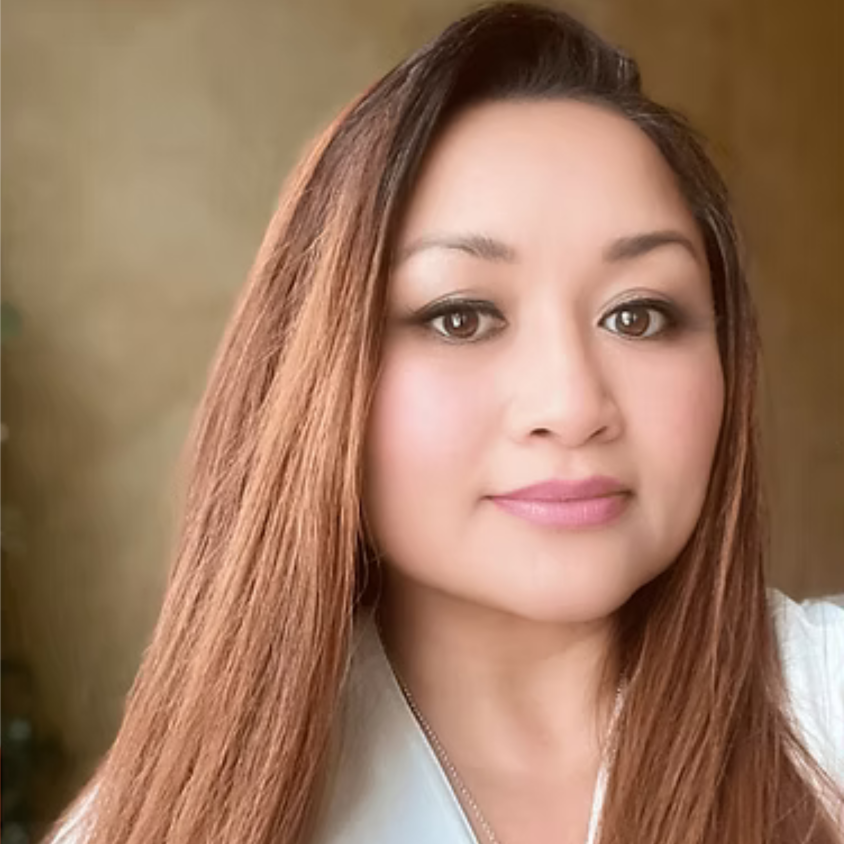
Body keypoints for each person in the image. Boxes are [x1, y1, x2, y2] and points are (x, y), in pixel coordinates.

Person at [49, 3, 843, 843]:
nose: (571, 406)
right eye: (462, 317)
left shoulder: (825, 705)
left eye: (639, 315)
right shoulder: (166, 819)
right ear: (322, 376)